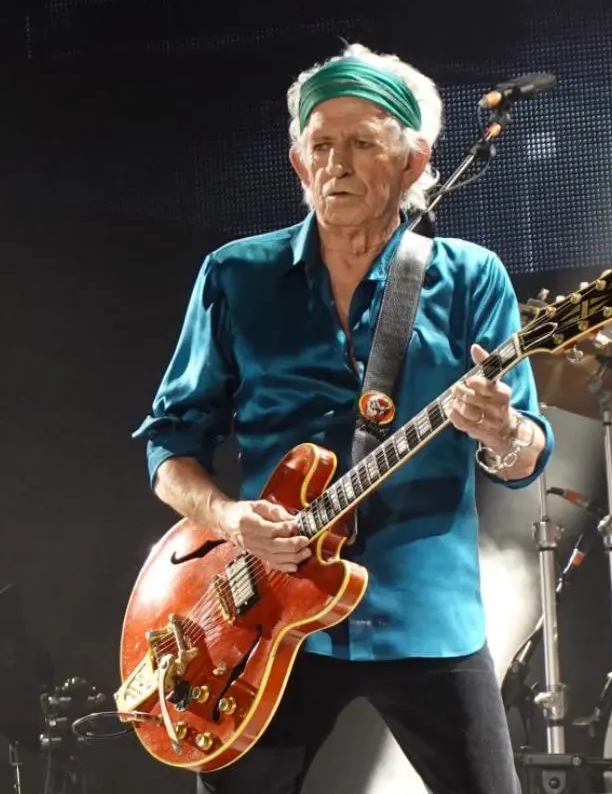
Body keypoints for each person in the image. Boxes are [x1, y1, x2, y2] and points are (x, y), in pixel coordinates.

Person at [132, 43, 553, 794]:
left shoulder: (471, 277)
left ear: (414, 161)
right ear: (298, 164)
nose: (338, 163)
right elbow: (170, 445)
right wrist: (231, 519)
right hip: (262, 621)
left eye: (363, 144)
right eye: (320, 145)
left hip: (425, 616)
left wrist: (497, 430)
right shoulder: (235, 275)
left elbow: (525, 453)